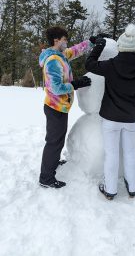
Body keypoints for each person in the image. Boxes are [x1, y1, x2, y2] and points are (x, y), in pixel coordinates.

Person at [85, 24, 135, 200]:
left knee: (112, 153)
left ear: (120, 46)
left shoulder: (111, 65)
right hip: (131, 118)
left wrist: (98, 45)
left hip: (110, 118)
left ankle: (110, 189)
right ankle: (133, 187)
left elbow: (89, 64)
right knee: (129, 153)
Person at [39, 26, 93, 189]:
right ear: (56, 41)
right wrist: (74, 85)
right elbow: (55, 88)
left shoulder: (60, 55)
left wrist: (90, 42)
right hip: (55, 107)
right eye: (64, 40)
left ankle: (53, 162)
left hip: (60, 107)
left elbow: (74, 51)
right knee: (54, 141)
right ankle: (46, 178)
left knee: (58, 139)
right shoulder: (53, 61)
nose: (67, 42)